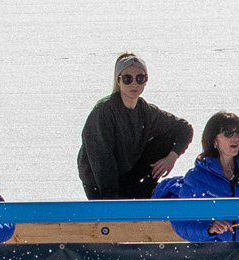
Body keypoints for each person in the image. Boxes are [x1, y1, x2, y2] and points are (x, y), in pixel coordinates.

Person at [78, 53, 194, 200]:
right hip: (98, 182)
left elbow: (184, 128)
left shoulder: (145, 110)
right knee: (113, 199)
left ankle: (148, 191)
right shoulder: (105, 110)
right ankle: (125, 201)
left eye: (140, 78)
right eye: (127, 79)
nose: (134, 84)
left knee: (168, 136)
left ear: (146, 81)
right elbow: (102, 161)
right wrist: (111, 201)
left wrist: (172, 156)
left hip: (128, 175)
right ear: (119, 81)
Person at [155, 112, 239, 242]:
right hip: (210, 255)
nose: (235, 138)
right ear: (214, 140)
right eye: (228, 133)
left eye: (238, 133)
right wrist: (208, 228)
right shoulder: (196, 178)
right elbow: (182, 222)